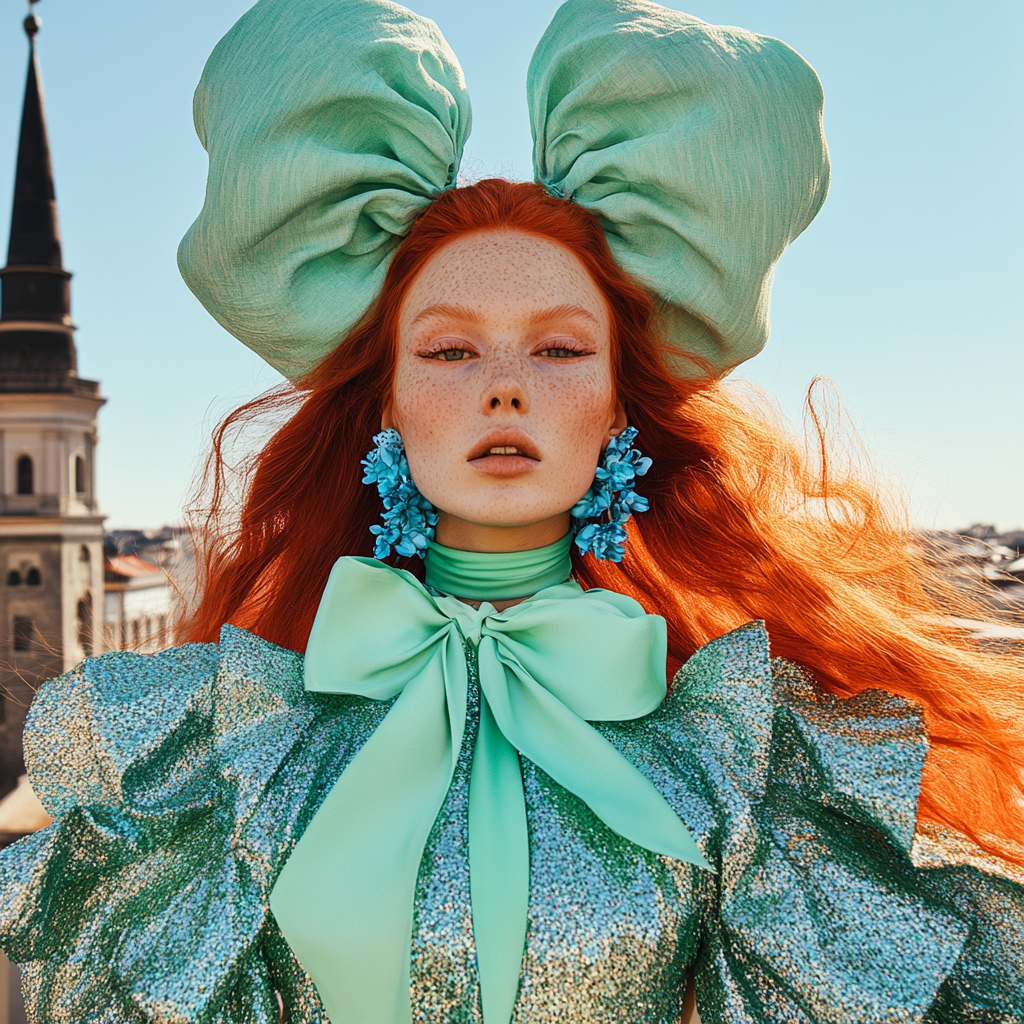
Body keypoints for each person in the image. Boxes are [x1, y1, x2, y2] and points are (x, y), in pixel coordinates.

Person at [1, 1, 1022, 1022]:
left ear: (620, 402)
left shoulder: (736, 759)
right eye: (449, 350)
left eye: (559, 349)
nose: (504, 389)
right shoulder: (240, 752)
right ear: (385, 400)